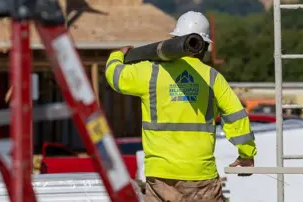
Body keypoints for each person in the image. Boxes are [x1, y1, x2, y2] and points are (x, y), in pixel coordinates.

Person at [105, 11, 257, 202]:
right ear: (204, 47)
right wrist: (246, 154)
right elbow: (236, 115)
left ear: (174, 40)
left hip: (161, 178)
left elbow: (115, 76)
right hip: (201, 178)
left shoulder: (150, 73)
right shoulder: (212, 78)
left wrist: (116, 56)